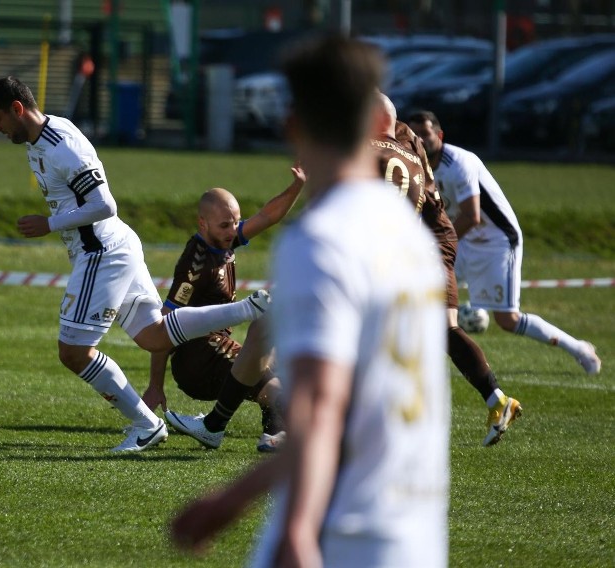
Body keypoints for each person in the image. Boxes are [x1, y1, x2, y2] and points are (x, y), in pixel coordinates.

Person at [171, 36, 450, 567]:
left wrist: (285, 525)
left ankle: (216, 424)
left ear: (294, 127)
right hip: (415, 533)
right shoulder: (409, 237)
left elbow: (320, 410)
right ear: (374, 128)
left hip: (341, 528)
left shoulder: (321, 240)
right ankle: (216, 424)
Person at [0, 76, 271, 452]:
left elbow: (105, 205)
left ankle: (145, 424)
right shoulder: (43, 139)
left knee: (73, 352)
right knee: (154, 335)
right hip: (116, 246)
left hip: (101, 252)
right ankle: (247, 308)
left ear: (17, 109)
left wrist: (48, 224)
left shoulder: (62, 145)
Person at [372, 93, 522, 446]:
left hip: (424, 241)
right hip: (432, 236)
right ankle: (497, 400)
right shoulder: (404, 138)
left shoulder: (377, 145)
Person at [407, 110, 602, 377]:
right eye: (413, 134)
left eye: (425, 134)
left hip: (495, 241)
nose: (419, 139)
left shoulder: (458, 163)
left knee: (508, 320)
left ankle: (579, 348)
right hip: (461, 239)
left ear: (439, 135)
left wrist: (435, 244)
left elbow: (472, 216)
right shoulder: (416, 165)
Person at [143, 165, 306, 452]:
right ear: (203, 224)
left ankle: (274, 431)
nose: (233, 231)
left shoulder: (222, 241)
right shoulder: (196, 265)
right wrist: (156, 384)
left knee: (276, 354)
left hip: (216, 346)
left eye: (235, 223)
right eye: (225, 226)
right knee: (271, 380)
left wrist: (296, 188)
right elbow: (164, 326)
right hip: (197, 360)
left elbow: (267, 216)